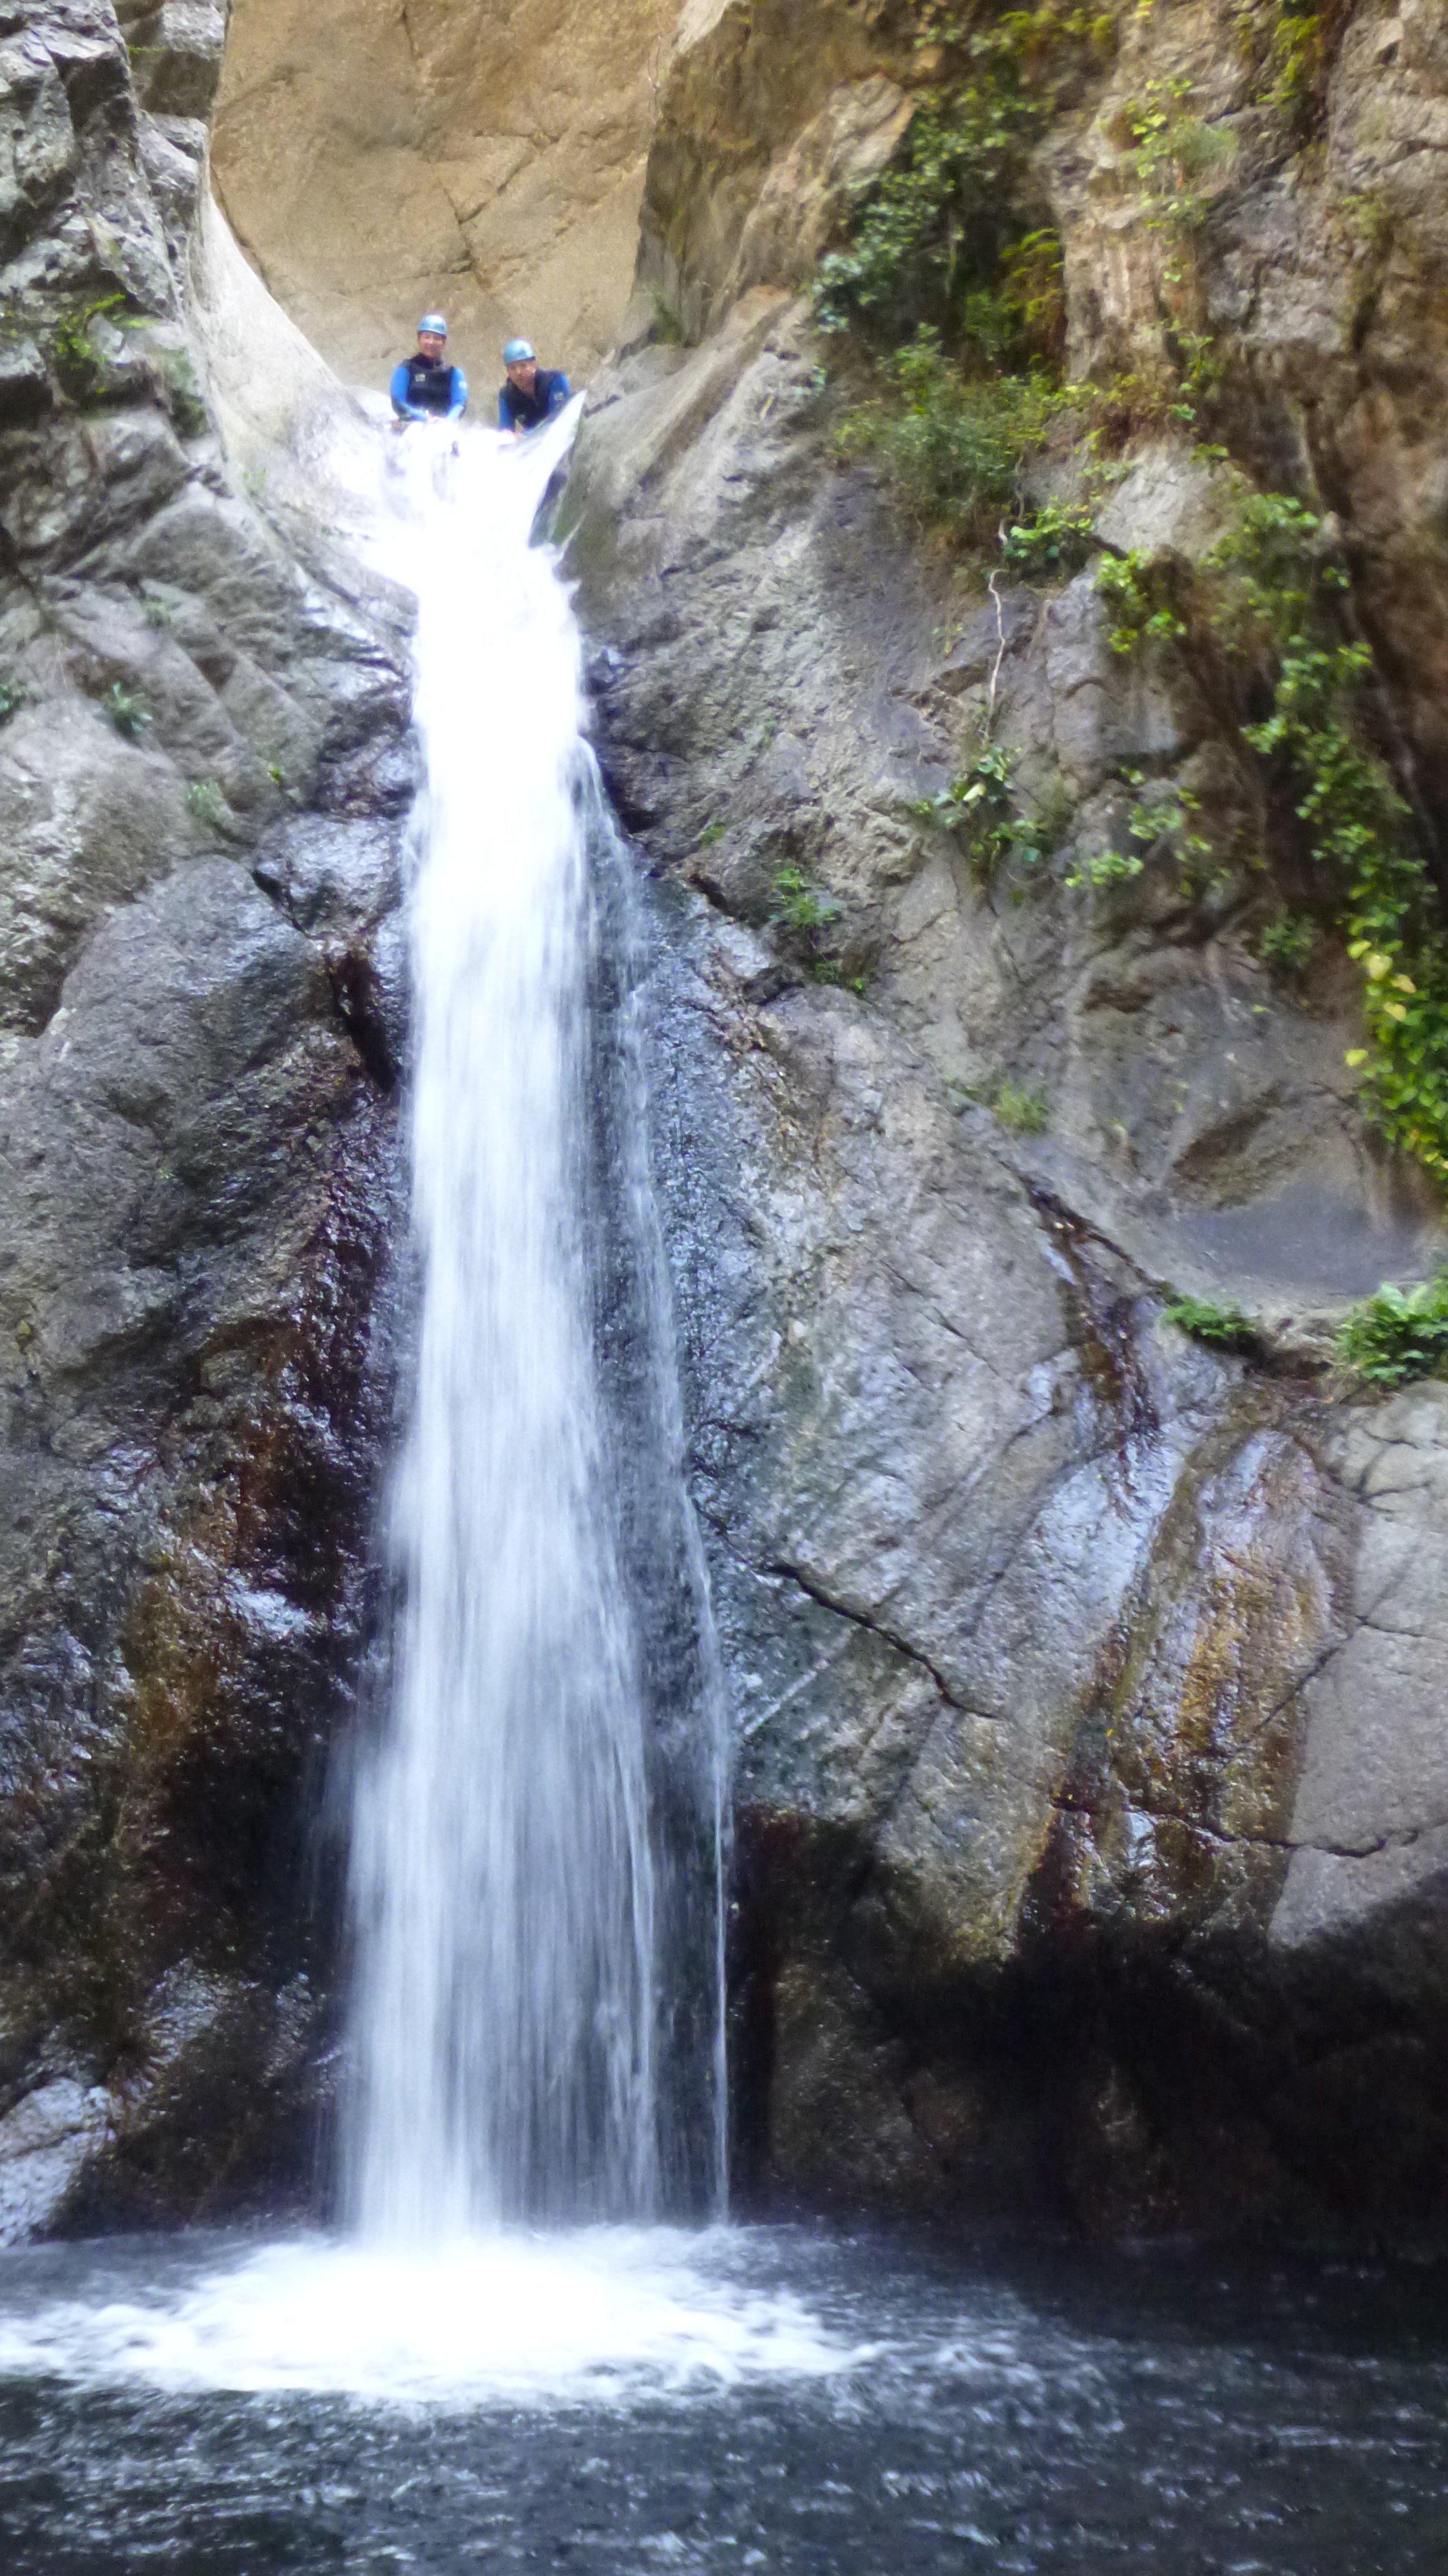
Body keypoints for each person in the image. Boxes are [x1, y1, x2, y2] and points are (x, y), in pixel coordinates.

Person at [390, 316, 468, 423]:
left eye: (436, 338)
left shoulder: (454, 373)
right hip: (412, 429)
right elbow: (398, 402)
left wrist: (446, 422)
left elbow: (460, 404)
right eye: (427, 337)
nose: (431, 342)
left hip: (443, 430)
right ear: (419, 339)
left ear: (444, 342)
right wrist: (424, 418)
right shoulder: (406, 369)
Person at [499, 339, 571, 435]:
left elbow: (561, 422)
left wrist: (526, 435)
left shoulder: (555, 380)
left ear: (533, 364)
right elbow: (505, 430)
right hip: (536, 444)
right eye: (513, 368)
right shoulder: (506, 395)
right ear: (507, 370)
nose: (518, 372)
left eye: (523, 366)